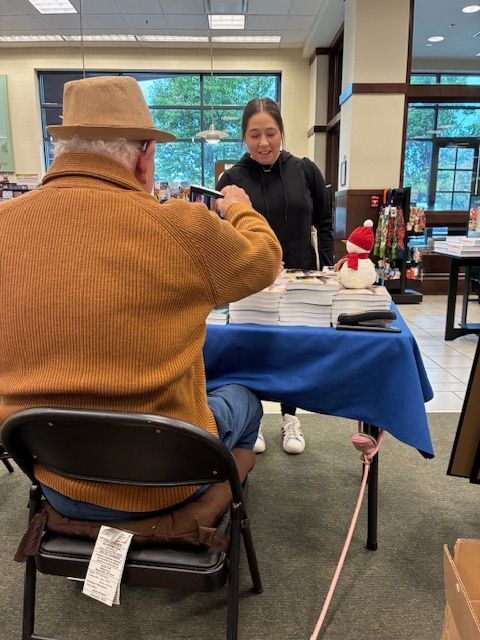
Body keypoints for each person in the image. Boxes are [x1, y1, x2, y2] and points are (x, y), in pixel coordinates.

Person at [0, 76, 282, 522]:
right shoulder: (179, 227)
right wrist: (240, 207)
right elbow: (266, 259)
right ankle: (203, 513)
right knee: (244, 399)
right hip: (166, 481)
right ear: (144, 155)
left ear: (63, 149)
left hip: (53, 476)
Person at [217, 97, 334, 455]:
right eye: (255, 135)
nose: (263, 142)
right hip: (252, 277)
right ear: (244, 138)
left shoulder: (306, 170)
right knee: (253, 347)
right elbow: (224, 232)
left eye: (270, 133)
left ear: (281, 132)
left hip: (301, 276)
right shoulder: (231, 178)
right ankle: (253, 420)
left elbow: (324, 224)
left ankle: (289, 417)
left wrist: (328, 268)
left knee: (291, 350)